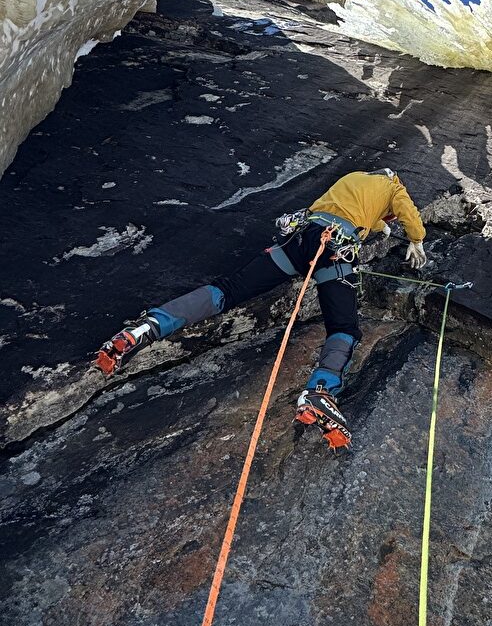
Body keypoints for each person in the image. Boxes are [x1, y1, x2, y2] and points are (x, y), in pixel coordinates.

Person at [94, 169, 427, 447]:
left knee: (229, 288)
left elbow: (360, 213)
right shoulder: (392, 187)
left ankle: (148, 327)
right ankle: (320, 391)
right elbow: (405, 211)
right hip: (334, 249)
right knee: (344, 328)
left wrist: (375, 225)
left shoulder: (354, 178)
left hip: (300, 239)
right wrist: (416, 239)